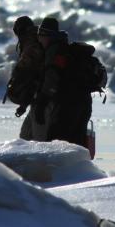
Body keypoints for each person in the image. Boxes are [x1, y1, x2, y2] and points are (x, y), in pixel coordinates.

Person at [32, 16, 93, 148]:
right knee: (77, 144)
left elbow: (51, 79)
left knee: (56, 143)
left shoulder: (55, 51)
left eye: (40, 36)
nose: (39, 40)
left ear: (46, 35)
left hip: (69, 104)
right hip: (84, 102)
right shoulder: (66, 49)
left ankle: (60, 169)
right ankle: (81, 168)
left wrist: (42, 103)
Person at [5, 16, 45, 141]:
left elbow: (29, 76)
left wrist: (23, 102)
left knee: (27, 137)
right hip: (43, 95)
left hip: (44, 97)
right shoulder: (39, 39)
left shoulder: (31, 45)